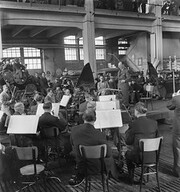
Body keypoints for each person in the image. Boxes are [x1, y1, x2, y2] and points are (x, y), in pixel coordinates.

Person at [69, 109, 120, 186]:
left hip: (81, 164)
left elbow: (72, 144)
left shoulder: (74, 130)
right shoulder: (100, 135)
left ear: (83, 118)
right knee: (111, 157)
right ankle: (115, 173)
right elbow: (108, 154)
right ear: (95, 119)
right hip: (97, 167)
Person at [125, 102, 159, 181]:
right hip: (153, 156)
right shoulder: (154, 123)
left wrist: (127, 132)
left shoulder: (134, 124)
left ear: (136, 111)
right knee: (145, 149)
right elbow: (158, 138)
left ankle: (131, 177)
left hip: (139, 157)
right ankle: (143, 176)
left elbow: (128, 141)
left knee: (128, 154)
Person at [167, 93, 180, 177]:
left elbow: (169, 106)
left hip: (178, 127)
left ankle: (178, 170)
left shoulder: (177, 98)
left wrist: (174, 96)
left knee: (177, 148)